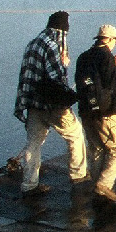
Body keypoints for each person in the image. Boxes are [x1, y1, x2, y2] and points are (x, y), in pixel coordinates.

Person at [13, 11, 87, 197]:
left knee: (33, 144)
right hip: (53, 107)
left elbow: (26, 76)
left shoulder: (32, 44)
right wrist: (70, 94)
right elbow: (55, 79)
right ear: (61, 30)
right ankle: (78, 177)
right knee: (76, 136)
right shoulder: (52, 45)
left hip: (33, 106)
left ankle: (29, 185)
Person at [74, 24, 116, 204]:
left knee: (96, 148)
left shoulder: (83, 57)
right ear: (110, 40)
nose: (114, 46)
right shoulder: (107, 56)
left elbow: (85, 81)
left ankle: (98, 186)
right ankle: (103, 186)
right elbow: (108, 82)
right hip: (106, 112)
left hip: (86, 110)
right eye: (115, 42)